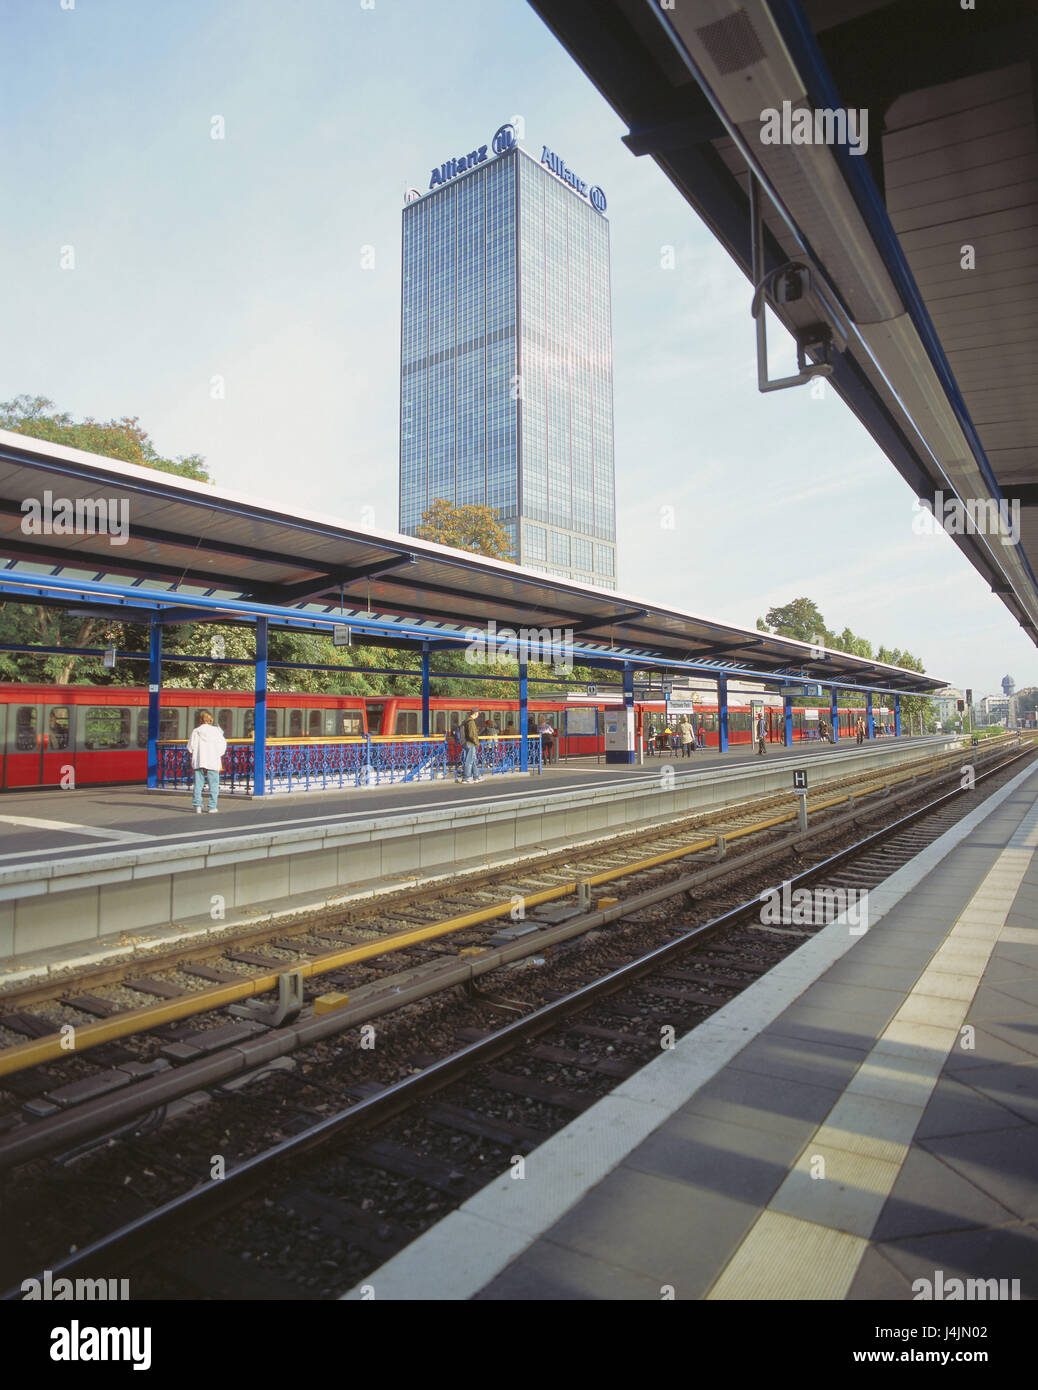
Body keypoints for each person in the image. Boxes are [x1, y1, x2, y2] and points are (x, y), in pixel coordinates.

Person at [189, 711, 227, 813]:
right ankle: (212, 807)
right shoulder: (217, 731)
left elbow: (190, 747)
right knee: (213, 785)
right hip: (213, 761)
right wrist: (216, 754)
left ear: (200, 720)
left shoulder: (196, 731)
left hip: (199, 761)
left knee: (198, 784)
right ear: (211, 719)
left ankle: (197, 805)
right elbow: (222, 746)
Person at [461, 708, 482, 783]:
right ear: (475, 713)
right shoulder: (471, 722)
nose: (478, 715)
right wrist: (476, 743)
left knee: (473, 761)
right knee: (469, 761)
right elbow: (472, 734)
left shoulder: (466, 721)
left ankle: (476, 777)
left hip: (468, 743)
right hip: (471, 744)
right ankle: (465, 778)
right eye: (478, 713)